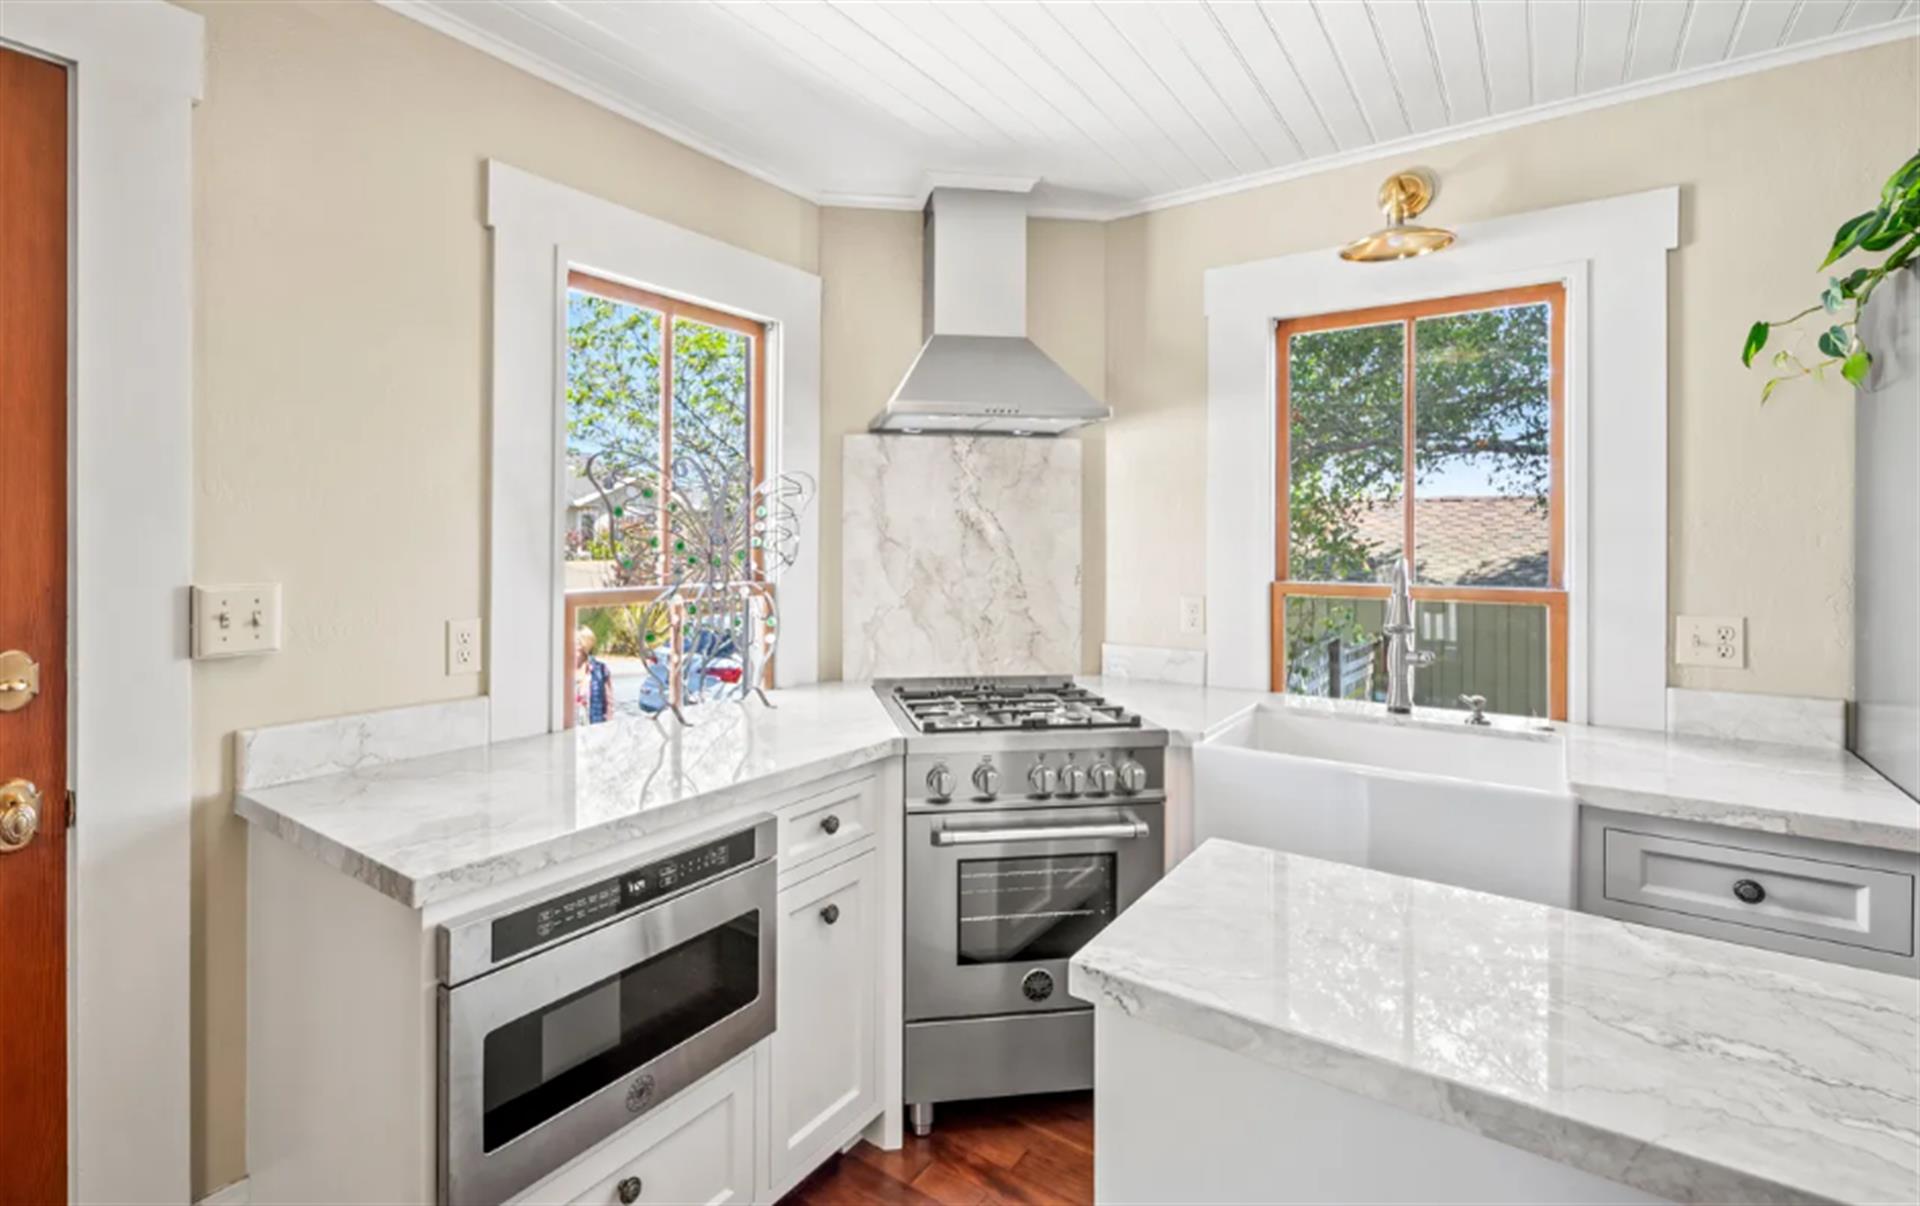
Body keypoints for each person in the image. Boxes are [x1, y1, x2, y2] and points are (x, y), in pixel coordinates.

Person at [575, 625, 614, 724]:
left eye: (577, 642)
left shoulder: (600, 669)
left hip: (593, 727)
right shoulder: (561, 668)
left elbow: (609, 704)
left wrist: (608, 727)